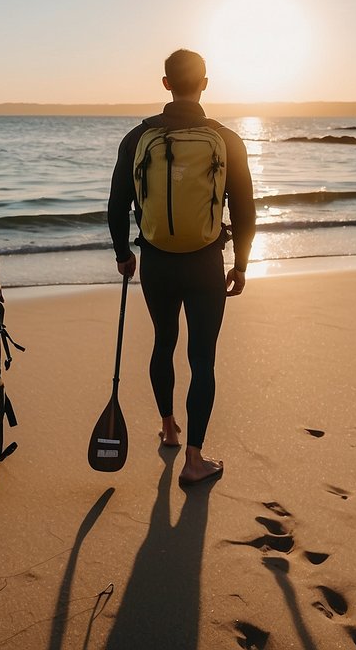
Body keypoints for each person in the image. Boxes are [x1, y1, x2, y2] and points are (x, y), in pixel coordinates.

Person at [108, 48, 256, 487]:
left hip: (156, 262)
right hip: (206, 263)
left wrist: (123, 254)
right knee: (202, 358)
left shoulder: (137, 138)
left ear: (166, 84)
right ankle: (194, 459)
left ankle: (169, 427)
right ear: (205, 84)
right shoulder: (227, 139)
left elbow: (117, 205)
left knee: (163, 342)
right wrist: (242, 263)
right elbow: (246, 209)